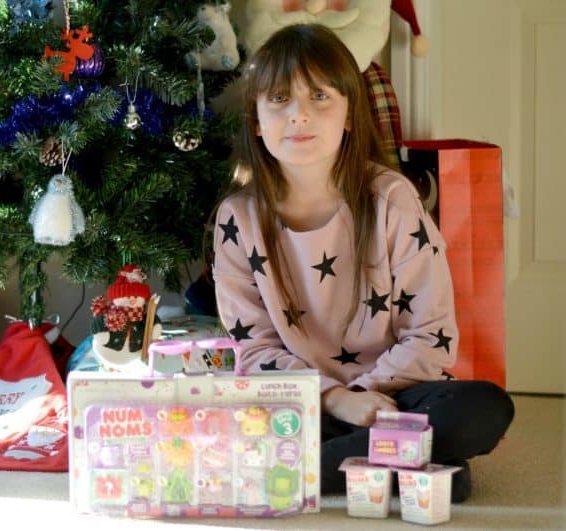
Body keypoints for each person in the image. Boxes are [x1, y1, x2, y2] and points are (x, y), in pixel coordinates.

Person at [211, 23, 514, 502]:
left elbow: (430, 334)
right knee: (229, 416)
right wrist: (335, 400)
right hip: (304, 400)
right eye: (280, 99)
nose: (299, 115)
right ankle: (413, 463)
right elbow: (255, 349)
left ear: (349, 115)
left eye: (319, 97)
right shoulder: (238, 218)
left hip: (398, 394)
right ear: (256, 122)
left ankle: (305, 469)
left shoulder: (392, 199)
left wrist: (365, 401)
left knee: (484, 407)